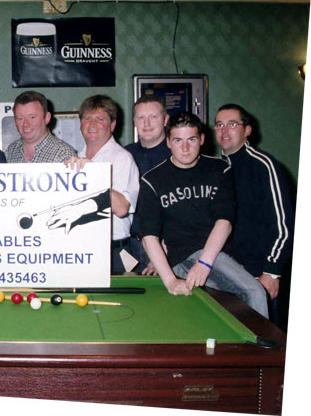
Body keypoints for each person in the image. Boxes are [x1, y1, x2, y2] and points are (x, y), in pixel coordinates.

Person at [138, 112, 268, 317]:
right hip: (182, 256)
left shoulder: (220, 170)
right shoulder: (152, 180)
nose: (185, 147)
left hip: (215, 254)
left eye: (191, 139)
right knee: (254, 293)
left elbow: (224, 223)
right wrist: (170, 280)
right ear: (169, 142)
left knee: (253, 293)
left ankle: (257, 349)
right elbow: (149, 237)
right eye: (178, 140)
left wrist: (204, 264)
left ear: (202, 139)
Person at [214, 103, 294, 325]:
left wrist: (272, 272)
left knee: (266, 341)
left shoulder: (264, 165)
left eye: (232, 124)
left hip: (260, 273)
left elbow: (285, 225)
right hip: (227, 273)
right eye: (219, 124)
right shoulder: (214, 168)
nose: (224, 130)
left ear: (247, 130)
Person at [48, 95, 140, 274]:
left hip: (114, 251)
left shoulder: (122, 158)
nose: (92, 124)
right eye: (87, 118)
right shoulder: (75, 156)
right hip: (82, 247)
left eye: (100, 119)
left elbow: (121, 208)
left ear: (112, 125)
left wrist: (94, 176)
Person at [125, 95, 171, 274]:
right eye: (141, 118)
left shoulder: (177, 155)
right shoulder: (125, 154)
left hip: (164, 246)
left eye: (153, 117)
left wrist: (164, 251)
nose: (147, 124)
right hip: (129, 246)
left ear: (165, 120)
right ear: (134, 121)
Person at [5, 90, 76, 163]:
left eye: (32, 117)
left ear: (46, 118)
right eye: (20, 118)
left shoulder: (63, 154)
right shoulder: (11, 151)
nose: (25, 124)